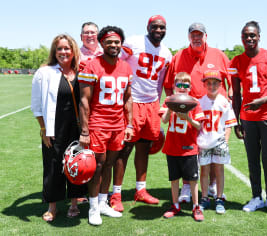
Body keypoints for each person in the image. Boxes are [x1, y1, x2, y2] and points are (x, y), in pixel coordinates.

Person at [109, 15, 172, 212]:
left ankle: (140, 190)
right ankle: (116, 193)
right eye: (155, 27)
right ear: (148, 27)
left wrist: (159, 103)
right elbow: (117, 64)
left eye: (162, 27)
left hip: (151, 103)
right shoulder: (134, 42)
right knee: (124, 148)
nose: (159, 30)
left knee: (144, 147)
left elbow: (161, 79)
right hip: (132, 101)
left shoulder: (167, 53)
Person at [164, 22, 231, 203]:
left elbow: (231, 83)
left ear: (205, 36)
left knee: (215, 148)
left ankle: (213, 185)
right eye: (193, 34)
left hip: (213, 112)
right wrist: (175, 106)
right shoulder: (179, 56)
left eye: (199, 34)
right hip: (189, 113)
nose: (196, 37)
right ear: (188, 37)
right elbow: (169, 85)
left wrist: (228, 103)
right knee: (189, 151)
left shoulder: (219, 55)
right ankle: (187, 185)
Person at [229, 21, 267, 214]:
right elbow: (236, 94)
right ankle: (256, 197)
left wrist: (262, 101)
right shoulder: (237, 61)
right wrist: (237, 120)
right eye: (246, 35)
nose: (249, 38)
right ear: (242, 38)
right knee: (252, 159)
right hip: (247, 118)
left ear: (259, 36)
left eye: (252, 35)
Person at [78, 26, 133, 225]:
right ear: (102, 44)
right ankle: (93, 208)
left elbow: (128, 99)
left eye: (117, 42)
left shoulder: (126, 67)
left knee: (109, 164)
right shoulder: (92, 65)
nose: (113, 45)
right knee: (97, 166)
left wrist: (130, 125)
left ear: (121, 44)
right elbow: (84, 101)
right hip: (98, 124)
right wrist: (85, 130)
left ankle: (102, 203)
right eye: (109, 42)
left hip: (118, 124)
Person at [31, 34, 87, 222]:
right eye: (59, 49)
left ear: (73, 50)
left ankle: (73, 204)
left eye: (67, 48)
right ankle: (52, 207)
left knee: (77, 165)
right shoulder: (45, 72)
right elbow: (37, 104)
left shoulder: (82, 71)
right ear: (54, 52)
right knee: (54, 167)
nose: (63, 52)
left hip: (77, 128)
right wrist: (43, 128)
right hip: (54, 128)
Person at [161, 72, 206, 221]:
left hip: (189, 148)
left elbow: (199, 126)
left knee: (192, 180)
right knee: (174, 179)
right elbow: (165, 120)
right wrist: (170, 107)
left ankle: (196, 207)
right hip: (172, 147)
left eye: (185, 85)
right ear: (174, 86)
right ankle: (175, 205)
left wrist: (188, 117)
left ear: (190, 87)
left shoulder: (194, 102)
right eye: (179, 85)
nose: (182, 88)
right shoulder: (169, 100)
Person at [197, 70, 237, 214]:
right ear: (204, 85)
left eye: (215, 83)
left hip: (219, 140)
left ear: (220, 85)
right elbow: (197, 124)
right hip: (204, 140)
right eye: (209, 83)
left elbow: (228, 124)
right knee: (204, 170)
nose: (212, 86)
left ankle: (219, 198)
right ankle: (204, 198)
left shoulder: (224, 102)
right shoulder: (200, 102)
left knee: (219, 170)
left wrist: (225, 141)